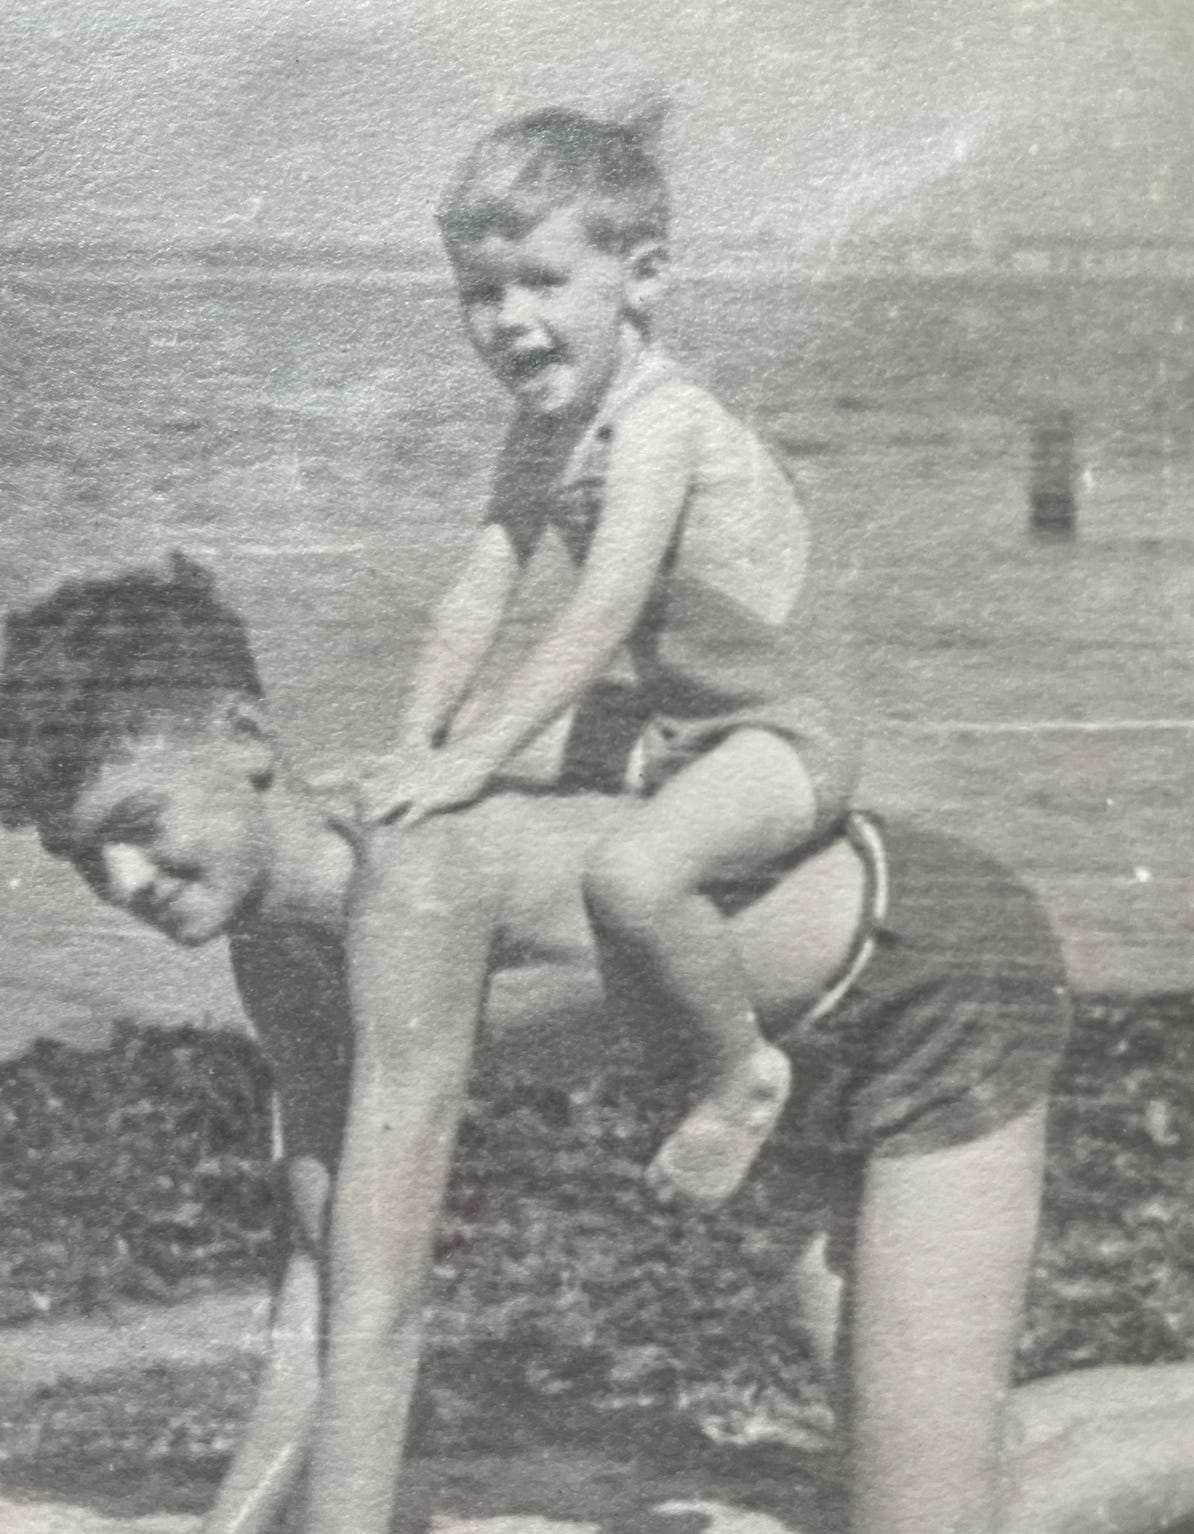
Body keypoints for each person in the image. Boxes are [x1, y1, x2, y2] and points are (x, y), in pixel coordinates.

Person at [6, 556, 1194, 1534]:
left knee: (936, 1521)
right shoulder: (274, 951)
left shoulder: (412, 883)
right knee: (942, 1453)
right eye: (77, 858)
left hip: (928, 986)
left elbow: (387, 1301)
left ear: (247, 736)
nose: (121, 880)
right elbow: (320, 1278)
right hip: (781, 1066)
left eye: (136, 824)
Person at [362, 108, 862, 1211]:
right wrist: (418, 744)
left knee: (630, 878)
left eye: (543, 283)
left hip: (780, 734)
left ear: (643, 278)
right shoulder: (543, 431)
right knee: (448, 773)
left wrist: (469, 757)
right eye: (480, 293)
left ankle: (739, 1073)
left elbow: (600, 614)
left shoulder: (662, 421)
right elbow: (478, 589)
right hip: (676, 723)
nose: (509, 320)